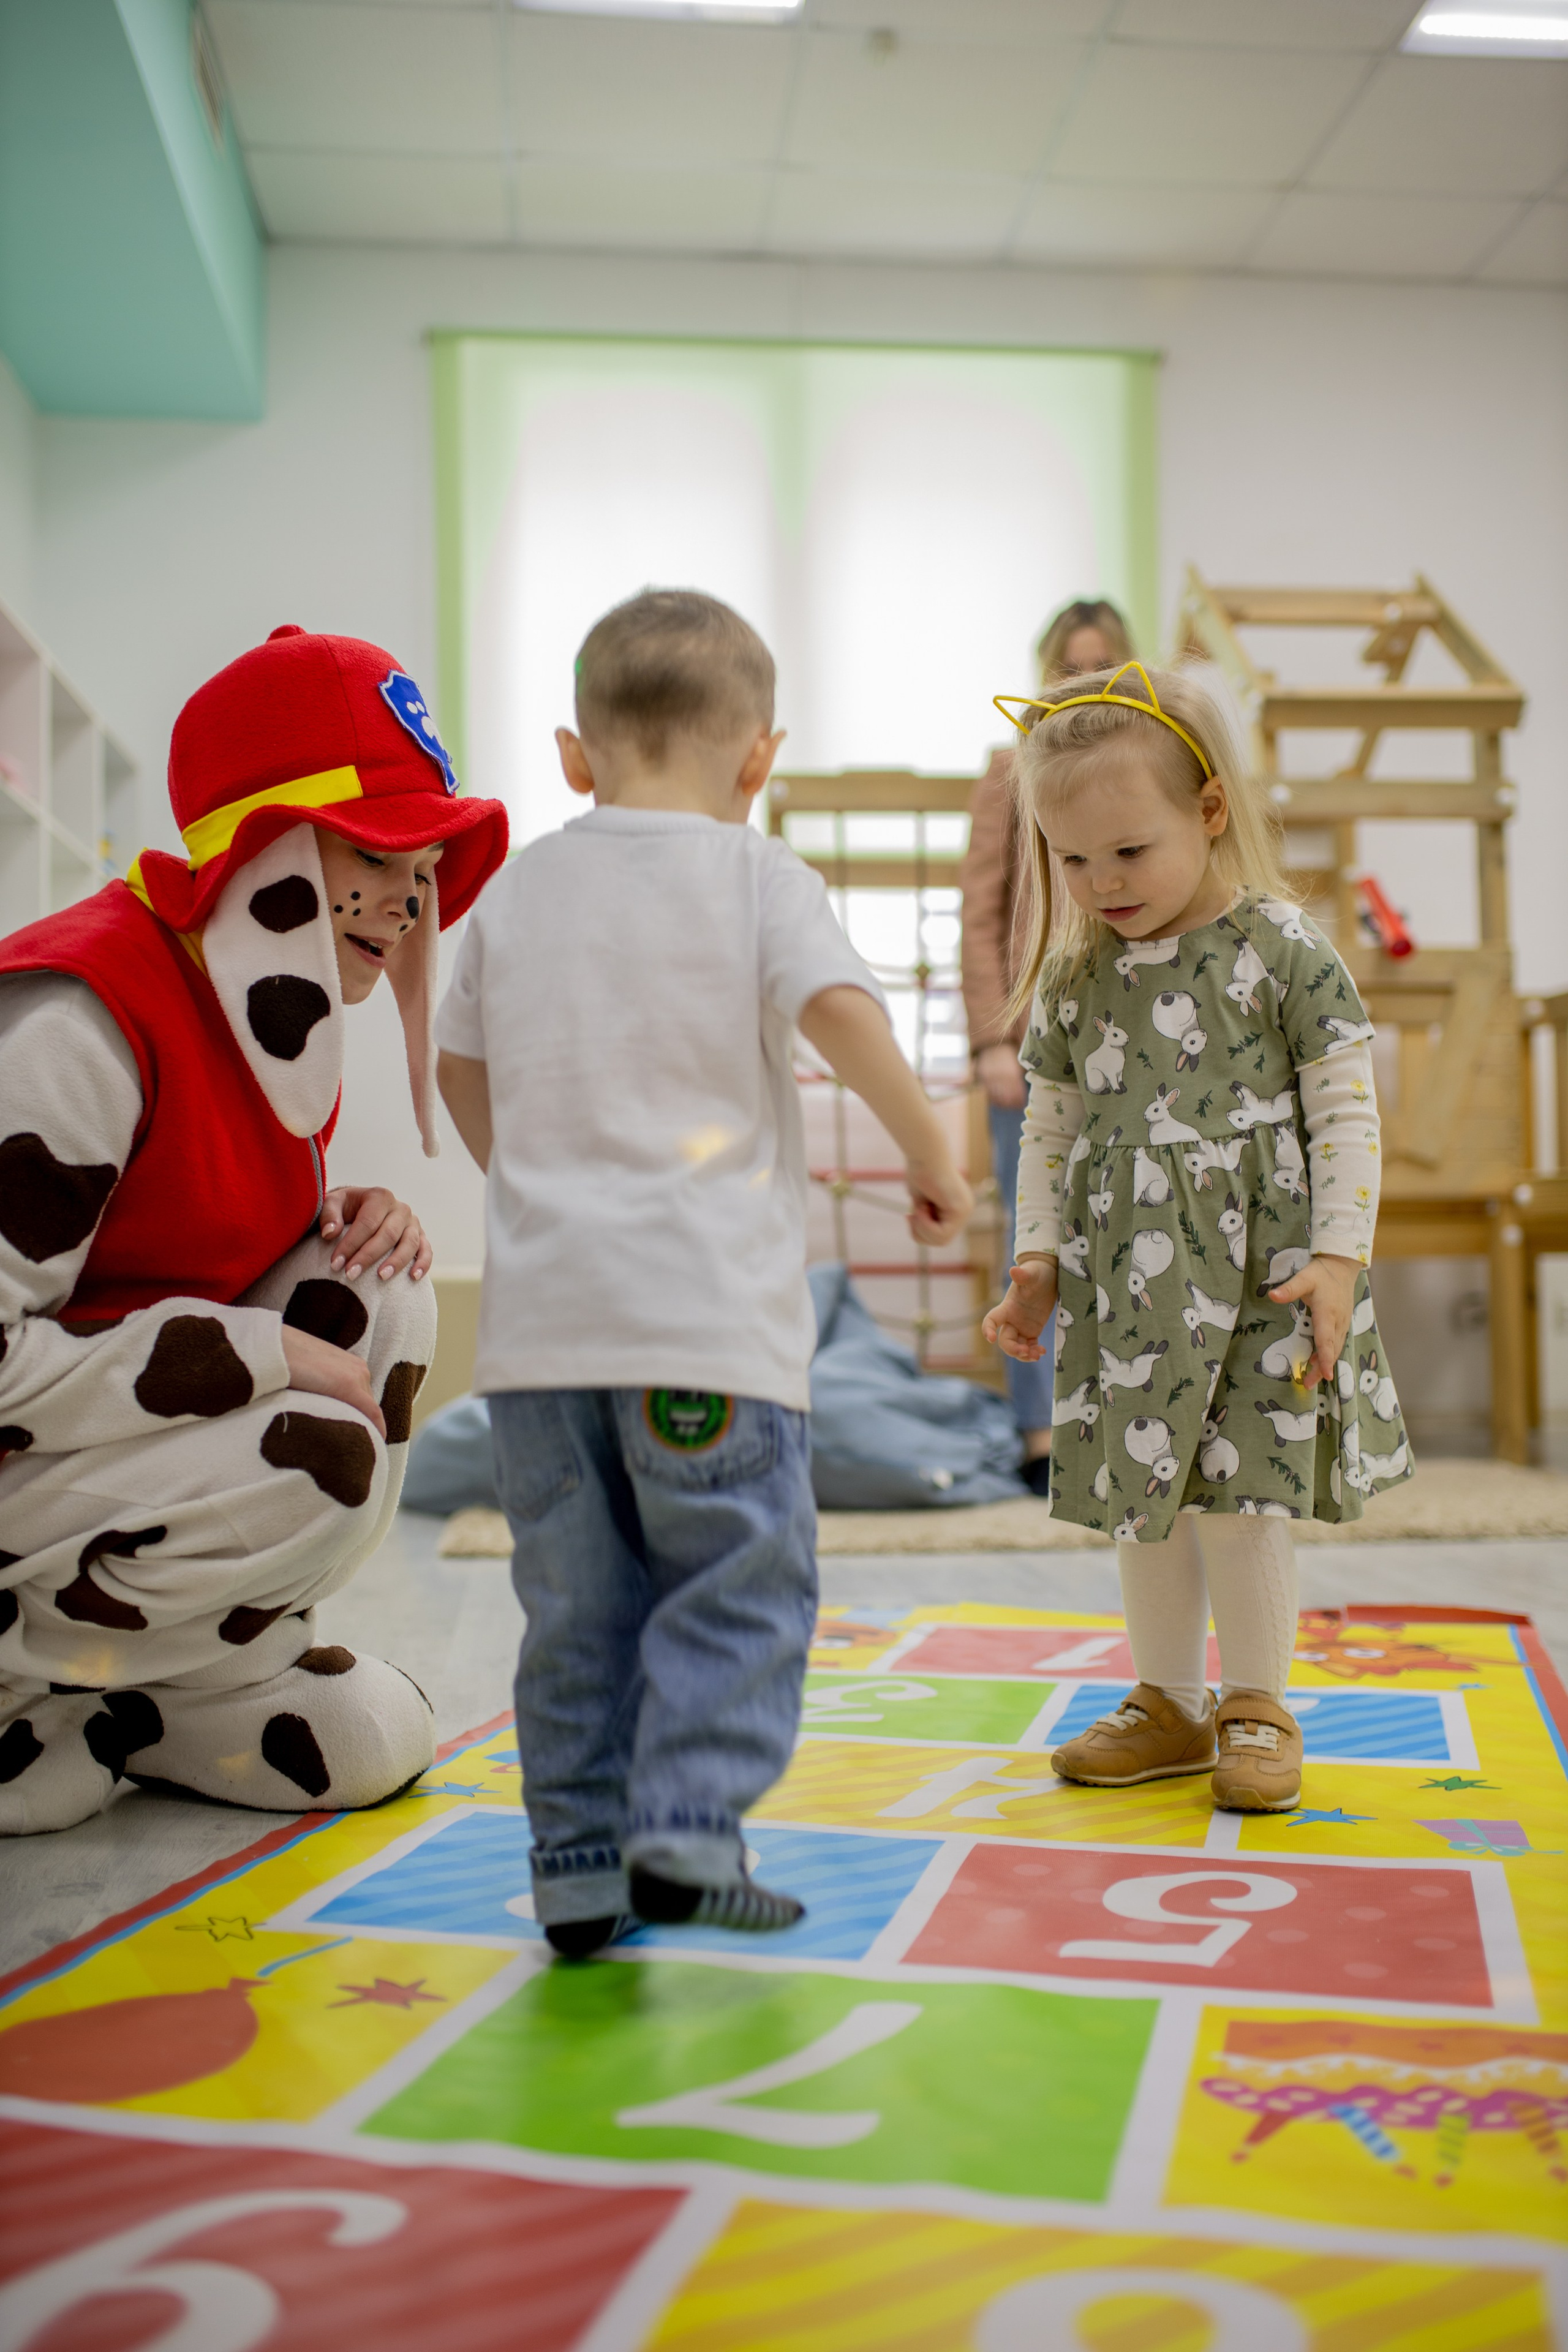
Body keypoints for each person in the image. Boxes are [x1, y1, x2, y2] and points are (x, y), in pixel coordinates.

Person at [436, 589, 973, 1956]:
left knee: (575, 1606)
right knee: (735, 1575)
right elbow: (839, 1011)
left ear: (574, 756)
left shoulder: (517, 891)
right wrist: (932, 1154)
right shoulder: (757, 877)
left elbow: (456, 1062)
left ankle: (574, 1864)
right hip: (704, 1334)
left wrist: (524, 1179)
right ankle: (683, 1823)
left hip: (542, 1341)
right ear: (758, 760)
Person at [0, 625, 508, 1833]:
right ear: (270, 848)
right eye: (376, 852)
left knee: (378, 1293)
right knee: (313, 1444)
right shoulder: (82, 1019)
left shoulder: (260, 1010)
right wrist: (265, 1355)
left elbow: (178, 1241)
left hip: (83, 1458)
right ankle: (25, 1680)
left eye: (422, 861)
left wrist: (329, 1222)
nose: (410, 897)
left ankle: (173, 1680)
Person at [983, 658, 1411, 1813]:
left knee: (1244, 1489)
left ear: (1209, 810)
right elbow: (1052, 1134)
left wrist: (1337, 1257)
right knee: (1147, 1489)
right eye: (1071, 860)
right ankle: (1170, 1700)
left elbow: (1344, 1108)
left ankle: (1258, 1701)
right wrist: (1034, 1263)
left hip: (1265, 1275)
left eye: (1128, 852)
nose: (1100, 882)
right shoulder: (1078, 977)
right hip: (1132, 1289)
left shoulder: (1282, 948)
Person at [960, 599, 1134, 1493]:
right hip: (1031, 1042)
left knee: (1125, 1229)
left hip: (1128, 1043)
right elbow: (982, 912)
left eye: (1100, 664)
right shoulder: (1010, 771)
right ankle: (1040, 1434)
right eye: (1068, 666)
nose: (1082, 682)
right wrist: (992, 1040)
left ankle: (1119, 1418)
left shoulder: (1148, 773)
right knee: (1037, 1238)